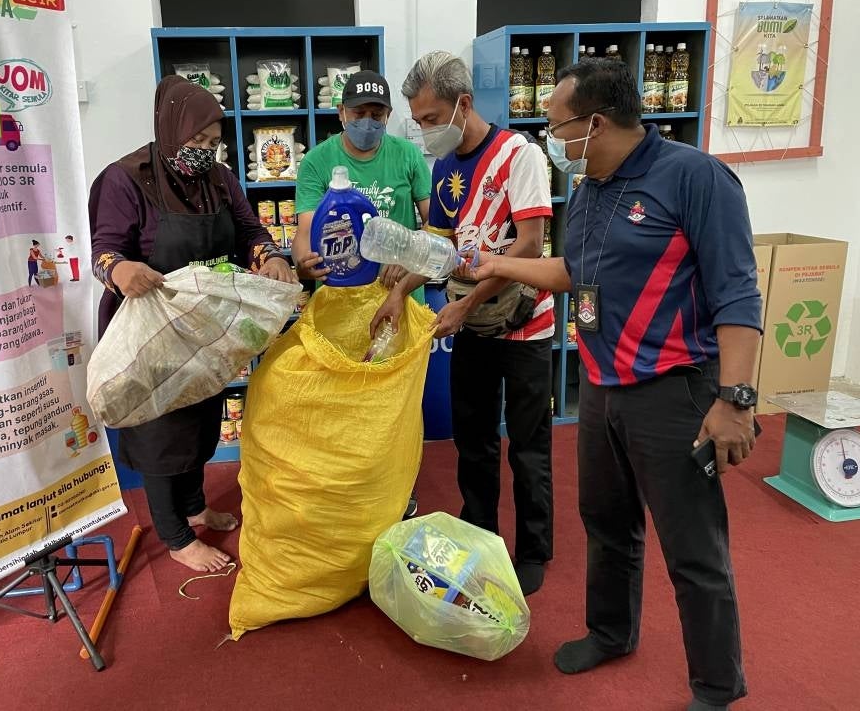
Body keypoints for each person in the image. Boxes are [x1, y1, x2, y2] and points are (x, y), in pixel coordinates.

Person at [458, 58, 760, 711]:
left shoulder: (694, 177)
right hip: (601, 387)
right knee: (607, 523)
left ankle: (716, 685)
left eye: (554, 125)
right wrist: (496, 262)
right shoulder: (592, 187)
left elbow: (738, 292)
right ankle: (611, 632)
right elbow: (576, 272)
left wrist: (735, 400)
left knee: (692, 548)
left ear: (594, 122)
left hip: (674, 392)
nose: (549, 138)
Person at [89, 76, 295, 573]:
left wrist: (267, 255)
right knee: (162, 429)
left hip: (202, 326)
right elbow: (102, 251)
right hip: (149, 327)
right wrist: (120, 269)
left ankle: (195, 504)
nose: (205, 151)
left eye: (212, 142)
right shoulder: (126, 178)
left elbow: (248, 229)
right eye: (196, 141)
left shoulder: (219, 180)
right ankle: (177, 536)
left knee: (201, 418)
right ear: (168, 128)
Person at [371, 51, 555, 594]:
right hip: (471, 327)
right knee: (473, 440)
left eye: (432, 119)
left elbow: (530, 246)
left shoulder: (519, 157)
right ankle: (480, 533)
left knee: (528, 445)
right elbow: (442, 244)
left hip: (524, 326)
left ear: (463, 104)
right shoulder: (445, 165)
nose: (426, 132)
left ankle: (534, 548)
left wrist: (466, 304)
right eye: (419, 121)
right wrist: (401, 291)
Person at [293, 69, 431, 518]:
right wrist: (302, 259)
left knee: (394, 408)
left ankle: (397, 492)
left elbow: (434, 225)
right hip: (340, 304)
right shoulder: (317, 161)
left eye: (377, 114)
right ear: (341, 114)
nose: (367, 123)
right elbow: (306, 228)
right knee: (344, 403)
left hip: (400, 297)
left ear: (388, 116)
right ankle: (348, 495)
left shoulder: (408, 156)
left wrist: (406, 251)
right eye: (358, 113)